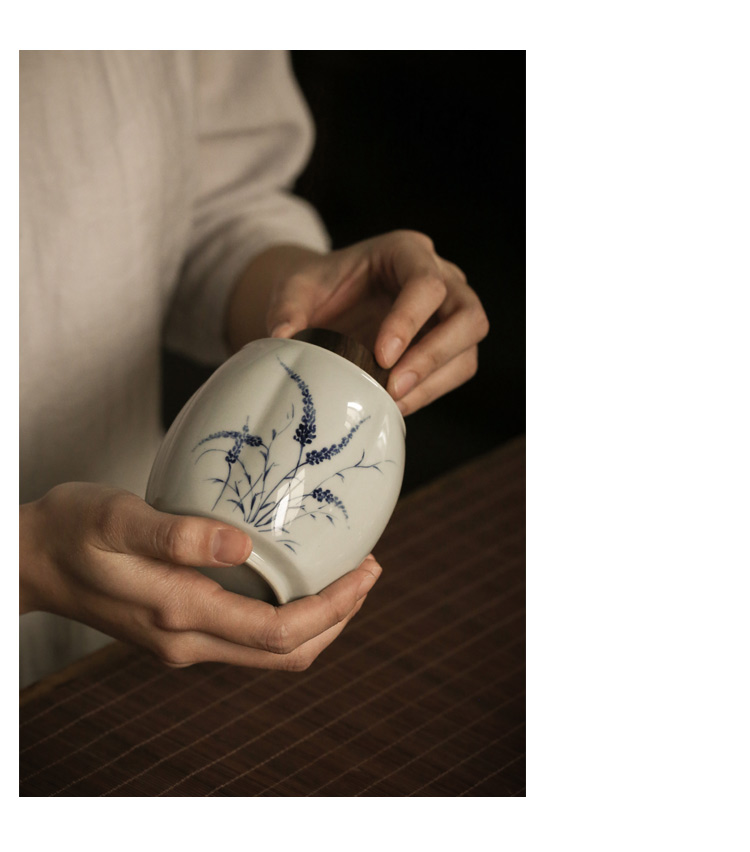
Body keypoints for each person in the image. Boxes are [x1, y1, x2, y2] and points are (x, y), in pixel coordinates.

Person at [19, 50, 489, 688]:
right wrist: (27, 559)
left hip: (139, 570)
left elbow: (207, 197)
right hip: (109, 551)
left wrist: (308, 297)